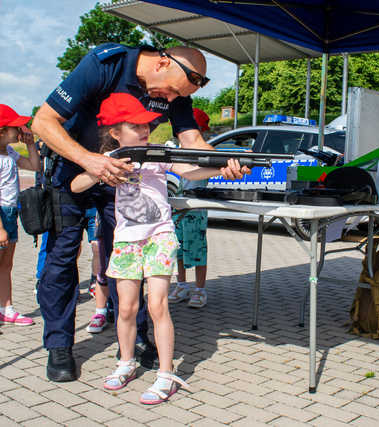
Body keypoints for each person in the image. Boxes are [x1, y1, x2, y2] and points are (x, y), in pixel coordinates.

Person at [31, 42, 249, 382]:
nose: (172, 100)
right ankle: (59, 345)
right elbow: (42, 122)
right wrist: (90, 160)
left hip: (124, 177)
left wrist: (224, 165)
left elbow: (191, 141)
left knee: (126, 258)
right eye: (174, 91)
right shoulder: (105, 65)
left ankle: (132, 340)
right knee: (62, 258)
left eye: (180, 96)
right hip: (75, 169)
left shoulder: (177, 93)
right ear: (163, 63)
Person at [71, 93, 233, 404]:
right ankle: (126, 363)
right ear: (116, 132)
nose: (146, 130)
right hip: (126, 240)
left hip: (159, 236)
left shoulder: (158, 153)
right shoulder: (110, 157)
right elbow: (76, 186)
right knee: (127, 309)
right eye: (136, 125)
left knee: (158, 306)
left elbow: (188, 171)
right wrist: (101, 168)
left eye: (147, 124)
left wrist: (220, 169)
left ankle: (166, 374)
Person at [0, 104, 41, 325]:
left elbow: (34, 166)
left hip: (10, 211)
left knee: (6, 265)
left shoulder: (10, 152)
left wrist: (31, 145)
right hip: (0, 216)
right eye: (15, 127)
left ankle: (6, 307)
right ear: (2, 131)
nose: (20, 130)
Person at [169, 108, 211, 308]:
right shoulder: (177, 150)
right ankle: (182, 284)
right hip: (178, 205)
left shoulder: (203, 151)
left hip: (196, 207)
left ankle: (200, 289)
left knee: (197, 248)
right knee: (177, 247)